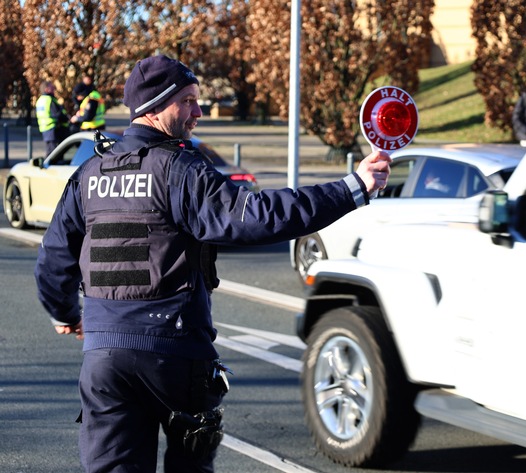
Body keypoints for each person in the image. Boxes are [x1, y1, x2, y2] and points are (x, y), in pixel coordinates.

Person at [34, 54, 390, 473]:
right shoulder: (179, 170)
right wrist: (353, 188)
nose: (198, 112)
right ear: (155, 106)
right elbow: (260, 216)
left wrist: (65, 313)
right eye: (187, 101)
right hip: (175, 356)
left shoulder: (89, 174)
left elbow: (53, 260)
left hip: (104, 362)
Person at [36, 80, 70, 156]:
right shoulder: (49, 100)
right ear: (46, 89)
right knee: (53, 153)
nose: (54, 89)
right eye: (52, 87)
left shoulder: (40, 100)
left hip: (45, 129)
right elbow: (57, 114)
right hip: (53, 129)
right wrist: (67, 118)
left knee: (50, 150)